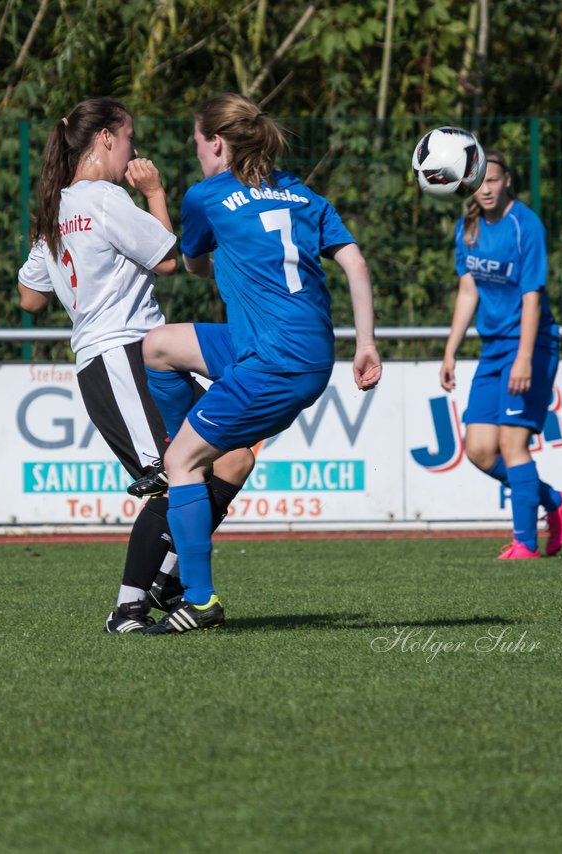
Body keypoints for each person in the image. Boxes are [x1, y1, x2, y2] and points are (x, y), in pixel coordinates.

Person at [137, 93, 382, 634]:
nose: (198, 153)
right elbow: (355, 262)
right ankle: (185, 460)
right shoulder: (304, 195)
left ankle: (199, 603)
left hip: (275, 361)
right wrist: (366, 343)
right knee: (157, 346)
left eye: (198, 143)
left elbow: (196, 264)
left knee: (182, 465)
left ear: (217, 143)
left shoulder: (205, 196)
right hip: (290, 347)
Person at [16, 97, 255, 633]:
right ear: (104, 138)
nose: (134, 148)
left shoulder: (55, 207)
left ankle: (166, 582)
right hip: (123, 355)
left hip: (121, 358)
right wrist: (154, 193)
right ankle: (129, 607)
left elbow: (29, 300)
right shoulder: (105, 197)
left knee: (234, 457)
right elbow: (169, 260)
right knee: (175, 477)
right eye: (128, 137)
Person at [439, 148, 562, 559]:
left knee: (513, 445)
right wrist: (450, 352)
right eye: (479, 181)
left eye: (494, 180)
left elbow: (532, 296)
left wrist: (524, 358)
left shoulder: (526, 225)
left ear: (507, 182)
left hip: (531, 346)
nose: (486, 188)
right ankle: (555, 501)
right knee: (480, 450)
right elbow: (468, 290)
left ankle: (524, 543)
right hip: (493, 347)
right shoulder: (468, 228)